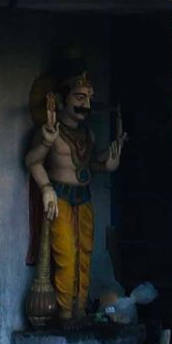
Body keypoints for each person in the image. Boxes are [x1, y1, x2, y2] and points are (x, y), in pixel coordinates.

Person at [23, 65, 126, 326]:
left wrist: (107, 165)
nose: (85, 104)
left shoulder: (86, 134)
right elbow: (32, 161)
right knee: (66, 257)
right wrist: (46, 187)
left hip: (84, 199)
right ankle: (66, 316)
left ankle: (79, 314)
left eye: (89, 99)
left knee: (84, 256)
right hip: (61, 199)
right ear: (61, 99)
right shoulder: (51, 131)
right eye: (80, 98)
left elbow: (85, 165)